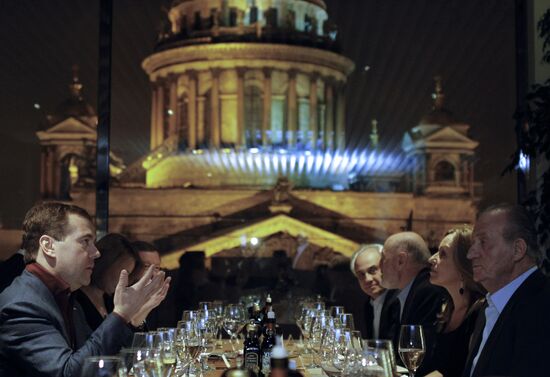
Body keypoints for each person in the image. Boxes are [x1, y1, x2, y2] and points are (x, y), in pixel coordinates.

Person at [0, 202, 170, 377]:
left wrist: (133, 319)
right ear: (49, 246)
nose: (96, 252)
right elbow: (70, 373)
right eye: (85, 241)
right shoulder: (22, 304)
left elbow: (105, 362)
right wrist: (121, 314)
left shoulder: (64, 295)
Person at [462, 204, 550, 377]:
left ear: (518, 250)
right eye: (473, 244)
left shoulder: (543, 306)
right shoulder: (490, 306)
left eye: (483, 242)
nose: (470, 254)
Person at [380, 231, 447, 376]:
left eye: (383, 258)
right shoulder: (402, 292)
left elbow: (423, 360)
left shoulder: (427, 289)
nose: (379, 266)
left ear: (401, 261)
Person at [425, 225, 486, 377]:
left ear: (462, 265)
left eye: (443, 254)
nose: (431, 259)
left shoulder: (481, 311)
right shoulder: (445, 308)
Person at [75, 233, 140, 331]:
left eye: (128, 274)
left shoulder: (111, 300)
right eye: (123, 272)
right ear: (106, 263)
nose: (124, 281)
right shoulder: (76, 299)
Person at [350, 243, 397, 339]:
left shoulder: (398, 301)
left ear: (386, 267)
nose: (367, 279)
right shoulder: (368, 303)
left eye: (372, 270)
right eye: (361, 274)